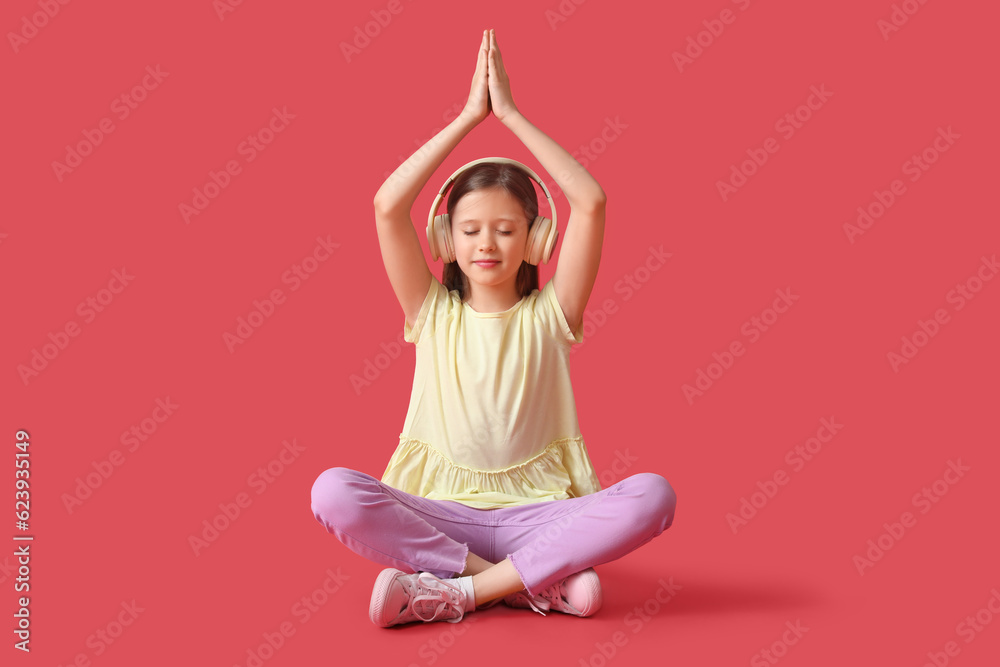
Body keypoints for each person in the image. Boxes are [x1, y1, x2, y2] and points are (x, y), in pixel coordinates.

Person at [310, 28, 676, 628]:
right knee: (332, 489)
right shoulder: (431, 312)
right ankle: (527, 582)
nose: (487, 243)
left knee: (654, 494)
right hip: (443, 518)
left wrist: (510, 115)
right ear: (444, 241)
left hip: (541, 515)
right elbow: (385, 205)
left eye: (506, 230)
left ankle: (458, 591)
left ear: (534, 242)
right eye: (471, 229)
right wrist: (466, 119)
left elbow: (590, 201)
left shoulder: (552, 315)